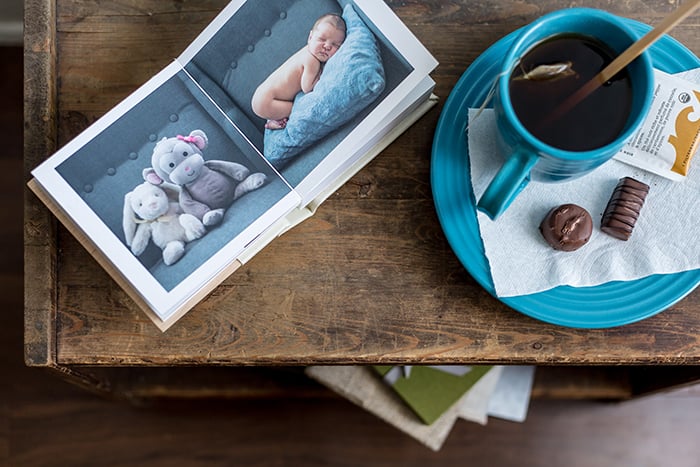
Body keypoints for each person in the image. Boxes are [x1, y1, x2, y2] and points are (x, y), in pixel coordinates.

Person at [251, 13, 346, 130]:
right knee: (297, 109)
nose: (327, 46)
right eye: (322, 39)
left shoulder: (306, 51)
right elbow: (307, 87)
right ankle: (273, 122)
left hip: (263, 95)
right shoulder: (312, 61)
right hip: (266, 102)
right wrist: (321, 75)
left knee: (287, 108)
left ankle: (274, 118)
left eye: (335, 45)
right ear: (310, 37)